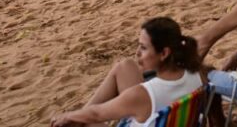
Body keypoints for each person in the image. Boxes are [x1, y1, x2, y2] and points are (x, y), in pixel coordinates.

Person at [49, 17, 203, 127]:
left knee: (84, 121)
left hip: (144, 108)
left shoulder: (143, 94)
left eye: (143, 48)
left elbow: (96, 114)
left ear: (164, 53)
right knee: (125, 66)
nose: (137, 53)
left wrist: (67, 116)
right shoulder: (197, 74)